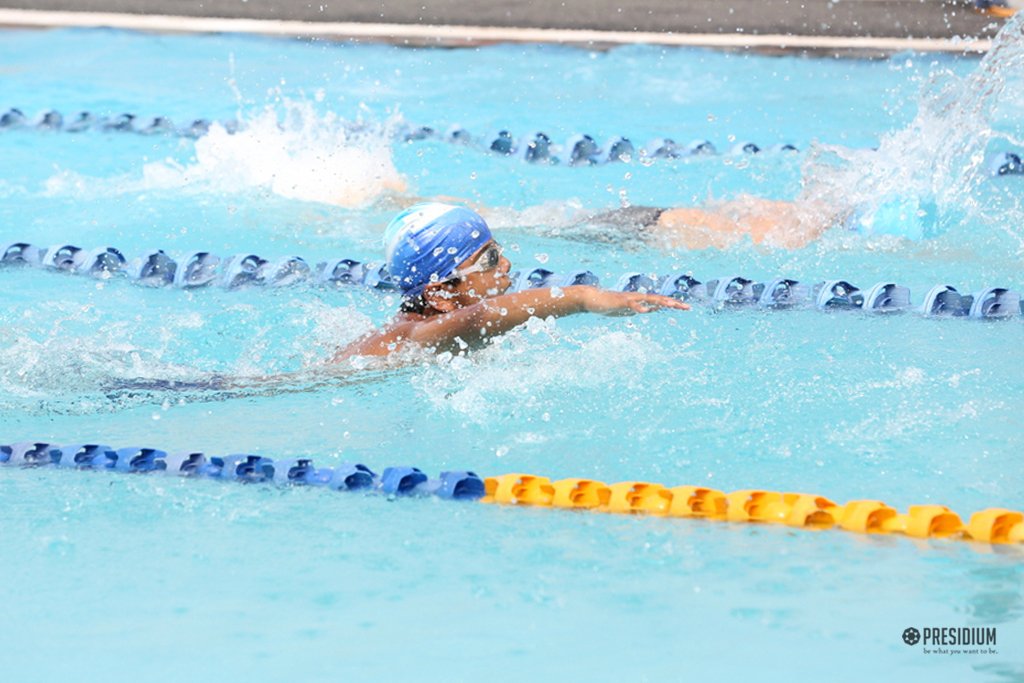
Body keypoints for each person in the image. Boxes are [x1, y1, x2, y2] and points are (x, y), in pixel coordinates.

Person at [333, 202, 689, 361]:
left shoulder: (424, 326)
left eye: (497, 250)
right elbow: (480, 317)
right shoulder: (414, 336)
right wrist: (583, 297)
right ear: (440, 293)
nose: (505, 264)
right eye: (488, 259)